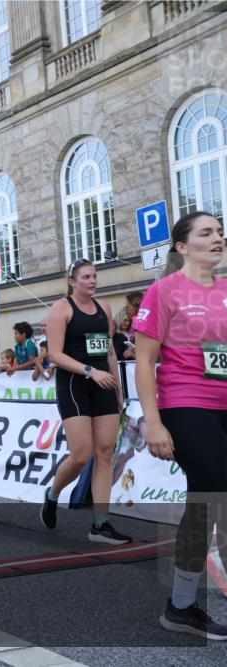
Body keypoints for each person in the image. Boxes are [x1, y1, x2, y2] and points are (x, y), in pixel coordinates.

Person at [133, 211, 226, 640]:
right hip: (186, 403)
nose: (218, 238)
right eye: (206, 232)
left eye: (220, 232)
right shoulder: (163, 291)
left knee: (203, 504)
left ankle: (183, 606)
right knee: (215, 494)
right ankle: (183, 605)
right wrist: (153, 423)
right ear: (182, 247)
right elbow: (145, 362)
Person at [40, 259, 130, 545]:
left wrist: (119, 391)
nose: (92, 281)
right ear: (73, 281)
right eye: (86, 277)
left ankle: (100, 524)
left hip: (104, 384)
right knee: (81, 454)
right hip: (74, 384)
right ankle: (53, 494)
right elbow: (55, 354)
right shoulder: (61, 309)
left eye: (94, 276)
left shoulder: (104, 308)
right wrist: (91, 372)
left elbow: (111, 354)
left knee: (104, 453)